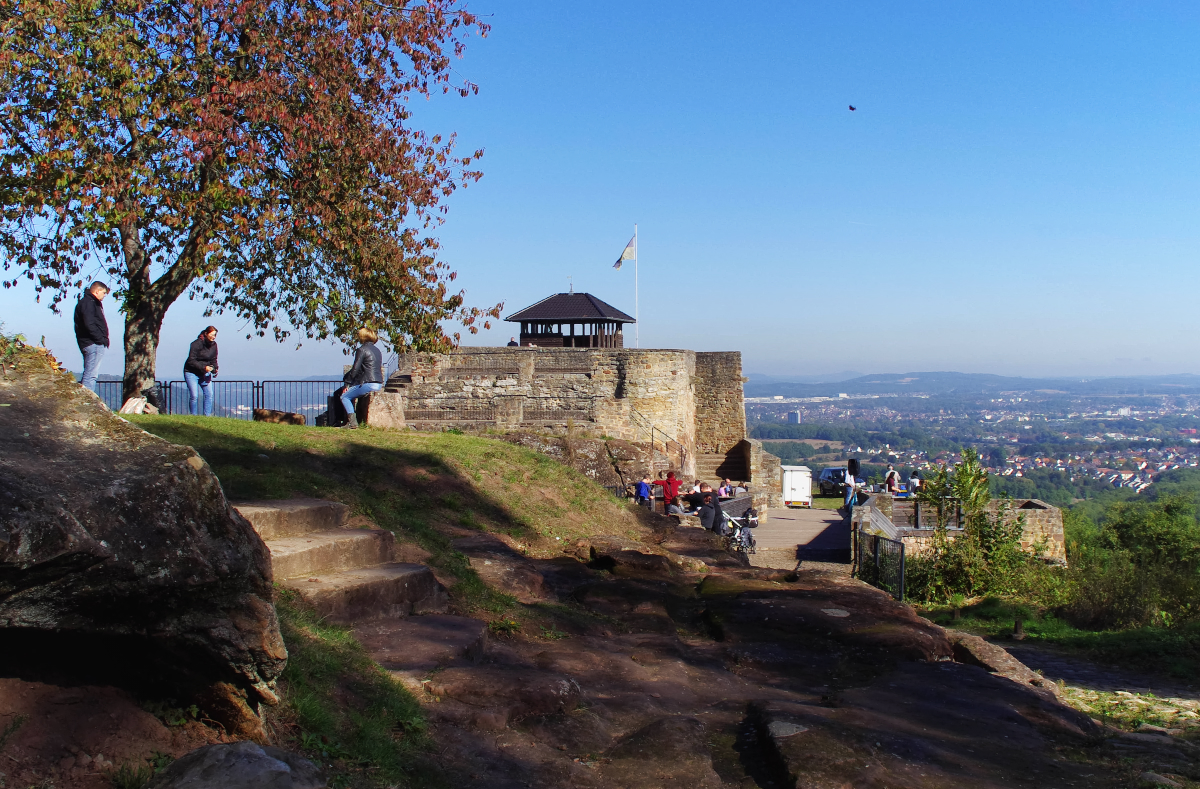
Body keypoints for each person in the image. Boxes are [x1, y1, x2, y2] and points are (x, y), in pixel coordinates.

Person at [340, 327, 384, 429]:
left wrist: (347, 383)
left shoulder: (361, 349)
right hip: (378, 383)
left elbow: (355, 369)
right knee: (351, 394)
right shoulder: (377, 351)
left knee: (345, 396)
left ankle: (352, 423)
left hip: (368, 383)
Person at [73, 281, 109, 392]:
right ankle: (87, 400)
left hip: (90, 342)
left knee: (90, 372)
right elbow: (89, 323)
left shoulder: (88, 302)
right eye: (103, 293)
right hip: (92, 343)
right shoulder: (89, 303)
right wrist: (100, 339)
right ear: (97, 291)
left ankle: (86, 399)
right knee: (91, 374)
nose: (104, 296)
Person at [183, 326, 219, 416]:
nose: (213, 337)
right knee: (194, 396)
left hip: (205, 373)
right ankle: (193, 415)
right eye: (212, 335)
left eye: (215, 335)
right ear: (206, 334)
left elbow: (214, 359)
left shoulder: (214, 345)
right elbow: (191, 360)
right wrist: (204, 367)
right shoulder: (195, 344)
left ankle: (207, 416)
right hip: (191, 372)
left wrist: (215, 368)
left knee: (209, 394)